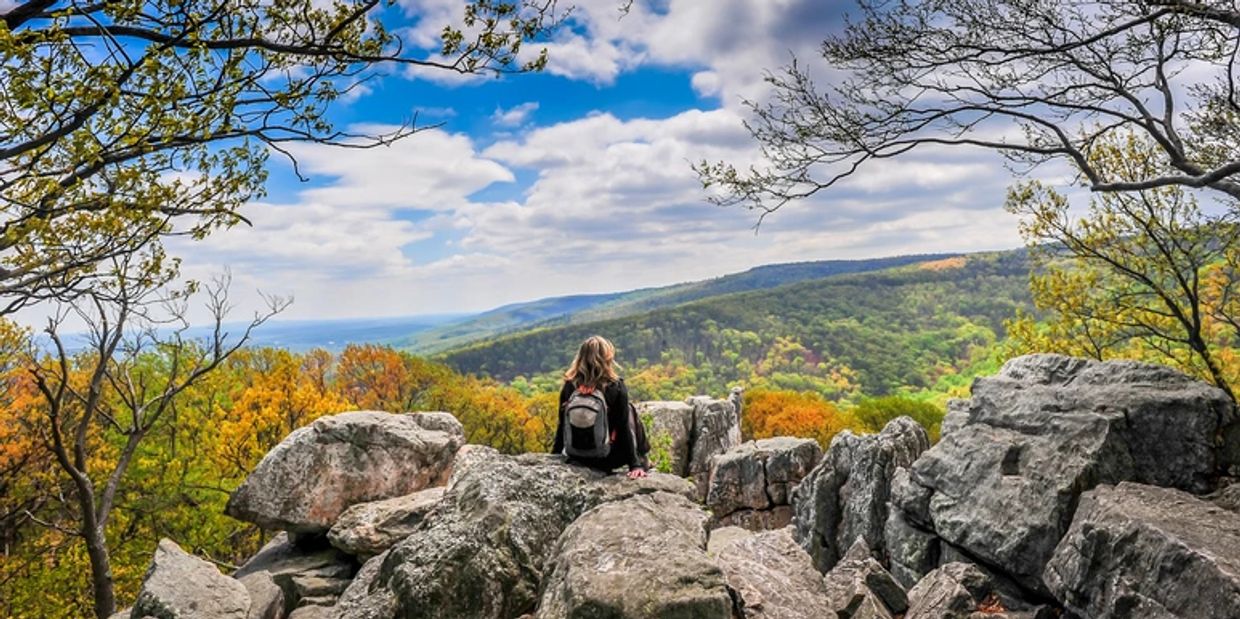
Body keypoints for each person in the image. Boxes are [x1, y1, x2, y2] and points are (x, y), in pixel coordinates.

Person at [551, 335, 648, 479]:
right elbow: (624, 429)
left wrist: (555, 457)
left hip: (575, 456)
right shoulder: (616, 386)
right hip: (607, 458)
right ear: (607, 358)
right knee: (628, 409)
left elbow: (562, 425)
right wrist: (635, 464)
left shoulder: (569, 385)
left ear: (581, 357)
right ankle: (643, 458)